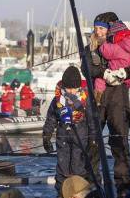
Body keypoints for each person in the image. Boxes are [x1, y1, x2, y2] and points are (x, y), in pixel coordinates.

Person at [82, 12, 130, 197]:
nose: (98, 32)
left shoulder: (123, 45)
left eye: (101, 28)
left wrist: (125, 73)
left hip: (118, 97)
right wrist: (104, 73)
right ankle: (92, 184)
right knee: (92, 140)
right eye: (95, 29)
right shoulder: (91, 49)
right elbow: (85, 67)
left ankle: (124, 187)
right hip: (98, 97)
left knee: (119, 140)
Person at [42, 66, 94, 198]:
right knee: (62, 168)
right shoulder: (58, 100)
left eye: (73, 88)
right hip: (63, 137)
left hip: (80, 137)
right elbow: (51, 118)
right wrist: (46, 135)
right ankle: (61, 194)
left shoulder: (86, 99)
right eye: (68, 88)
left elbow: (92, 119)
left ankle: (80, 194)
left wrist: (93, 138)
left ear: (78, 87)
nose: (70, 91)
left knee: (78, 168)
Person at [93, 20, 130, 105]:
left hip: (114, 73)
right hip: (127, 80)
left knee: (100, 79)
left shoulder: (116, 47)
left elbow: (105, 51)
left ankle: (98, 97)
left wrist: (103, 43)